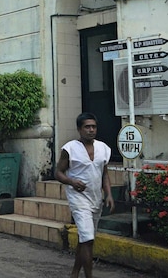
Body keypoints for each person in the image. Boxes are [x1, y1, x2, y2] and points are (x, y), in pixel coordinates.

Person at [55, 112, 115, 278]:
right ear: (79, 129)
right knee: (87, 239)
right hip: (78, 198)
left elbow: (104, 174)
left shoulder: (103, 148)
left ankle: (74, 272)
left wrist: (108, 194)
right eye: (87, 127)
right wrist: (72, 181)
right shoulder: (70, 149)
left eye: (93, 127)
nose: (91, 130)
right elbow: (58, 173)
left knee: (86, 239)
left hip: (96, 198)